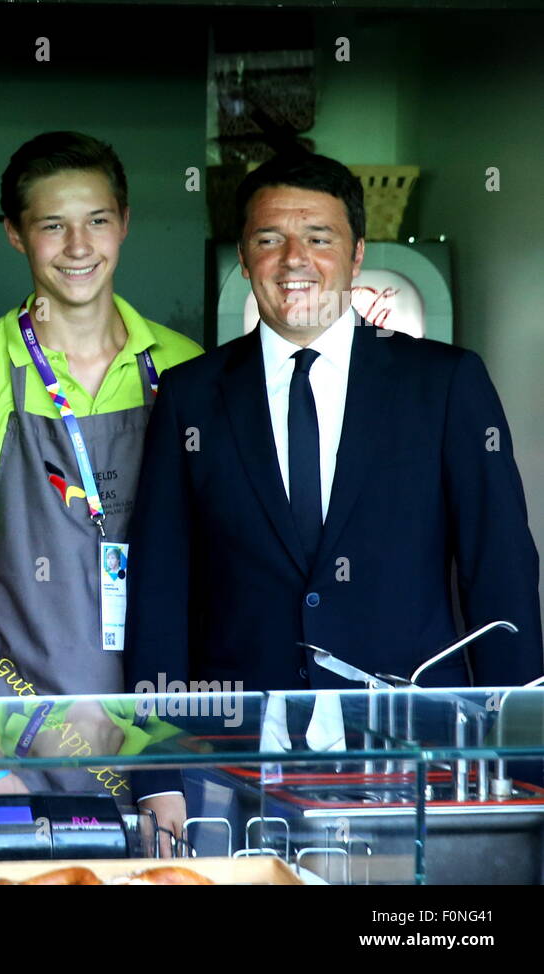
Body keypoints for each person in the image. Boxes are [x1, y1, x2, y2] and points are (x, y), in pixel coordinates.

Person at [125, 151, 544, 823]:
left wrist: (525, 764)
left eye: (318, 238)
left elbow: (501, 575)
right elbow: (159, 590)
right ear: (244, 257)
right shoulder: (192, 397)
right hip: (232, 763)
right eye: (270, 239)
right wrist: (156, 771)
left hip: (414, 752)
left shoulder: (443, 383)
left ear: (355, 256)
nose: (294, 259)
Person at [0, 131, 201, 829]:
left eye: (98, 221)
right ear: (16, 235)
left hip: (167, 737)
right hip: (25, 737)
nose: (79, 246)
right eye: (53, 225)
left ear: (125, 222)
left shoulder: (186, 367)